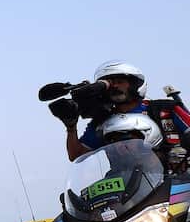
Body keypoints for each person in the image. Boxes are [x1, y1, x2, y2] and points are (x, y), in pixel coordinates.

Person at [55, 61, 190, 162]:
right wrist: (71, 127)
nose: (115, 86)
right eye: (110, 84)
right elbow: (77, 155)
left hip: (173, 180)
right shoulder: (102, 121)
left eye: (120, 82)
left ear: (134, 84)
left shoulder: (164, 109)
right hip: (126, 183)